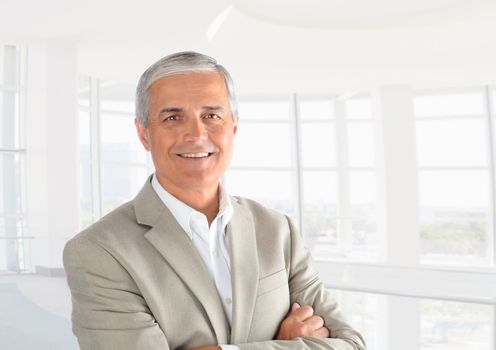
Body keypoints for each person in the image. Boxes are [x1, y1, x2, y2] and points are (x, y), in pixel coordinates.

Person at [63, 51, 366, 350]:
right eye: (172, 117)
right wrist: (281, 344)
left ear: (233, 127)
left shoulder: (277, 231)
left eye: (211, 116)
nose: (196, 134)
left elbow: (351, 344)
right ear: (144, 133)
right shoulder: (99, 251)